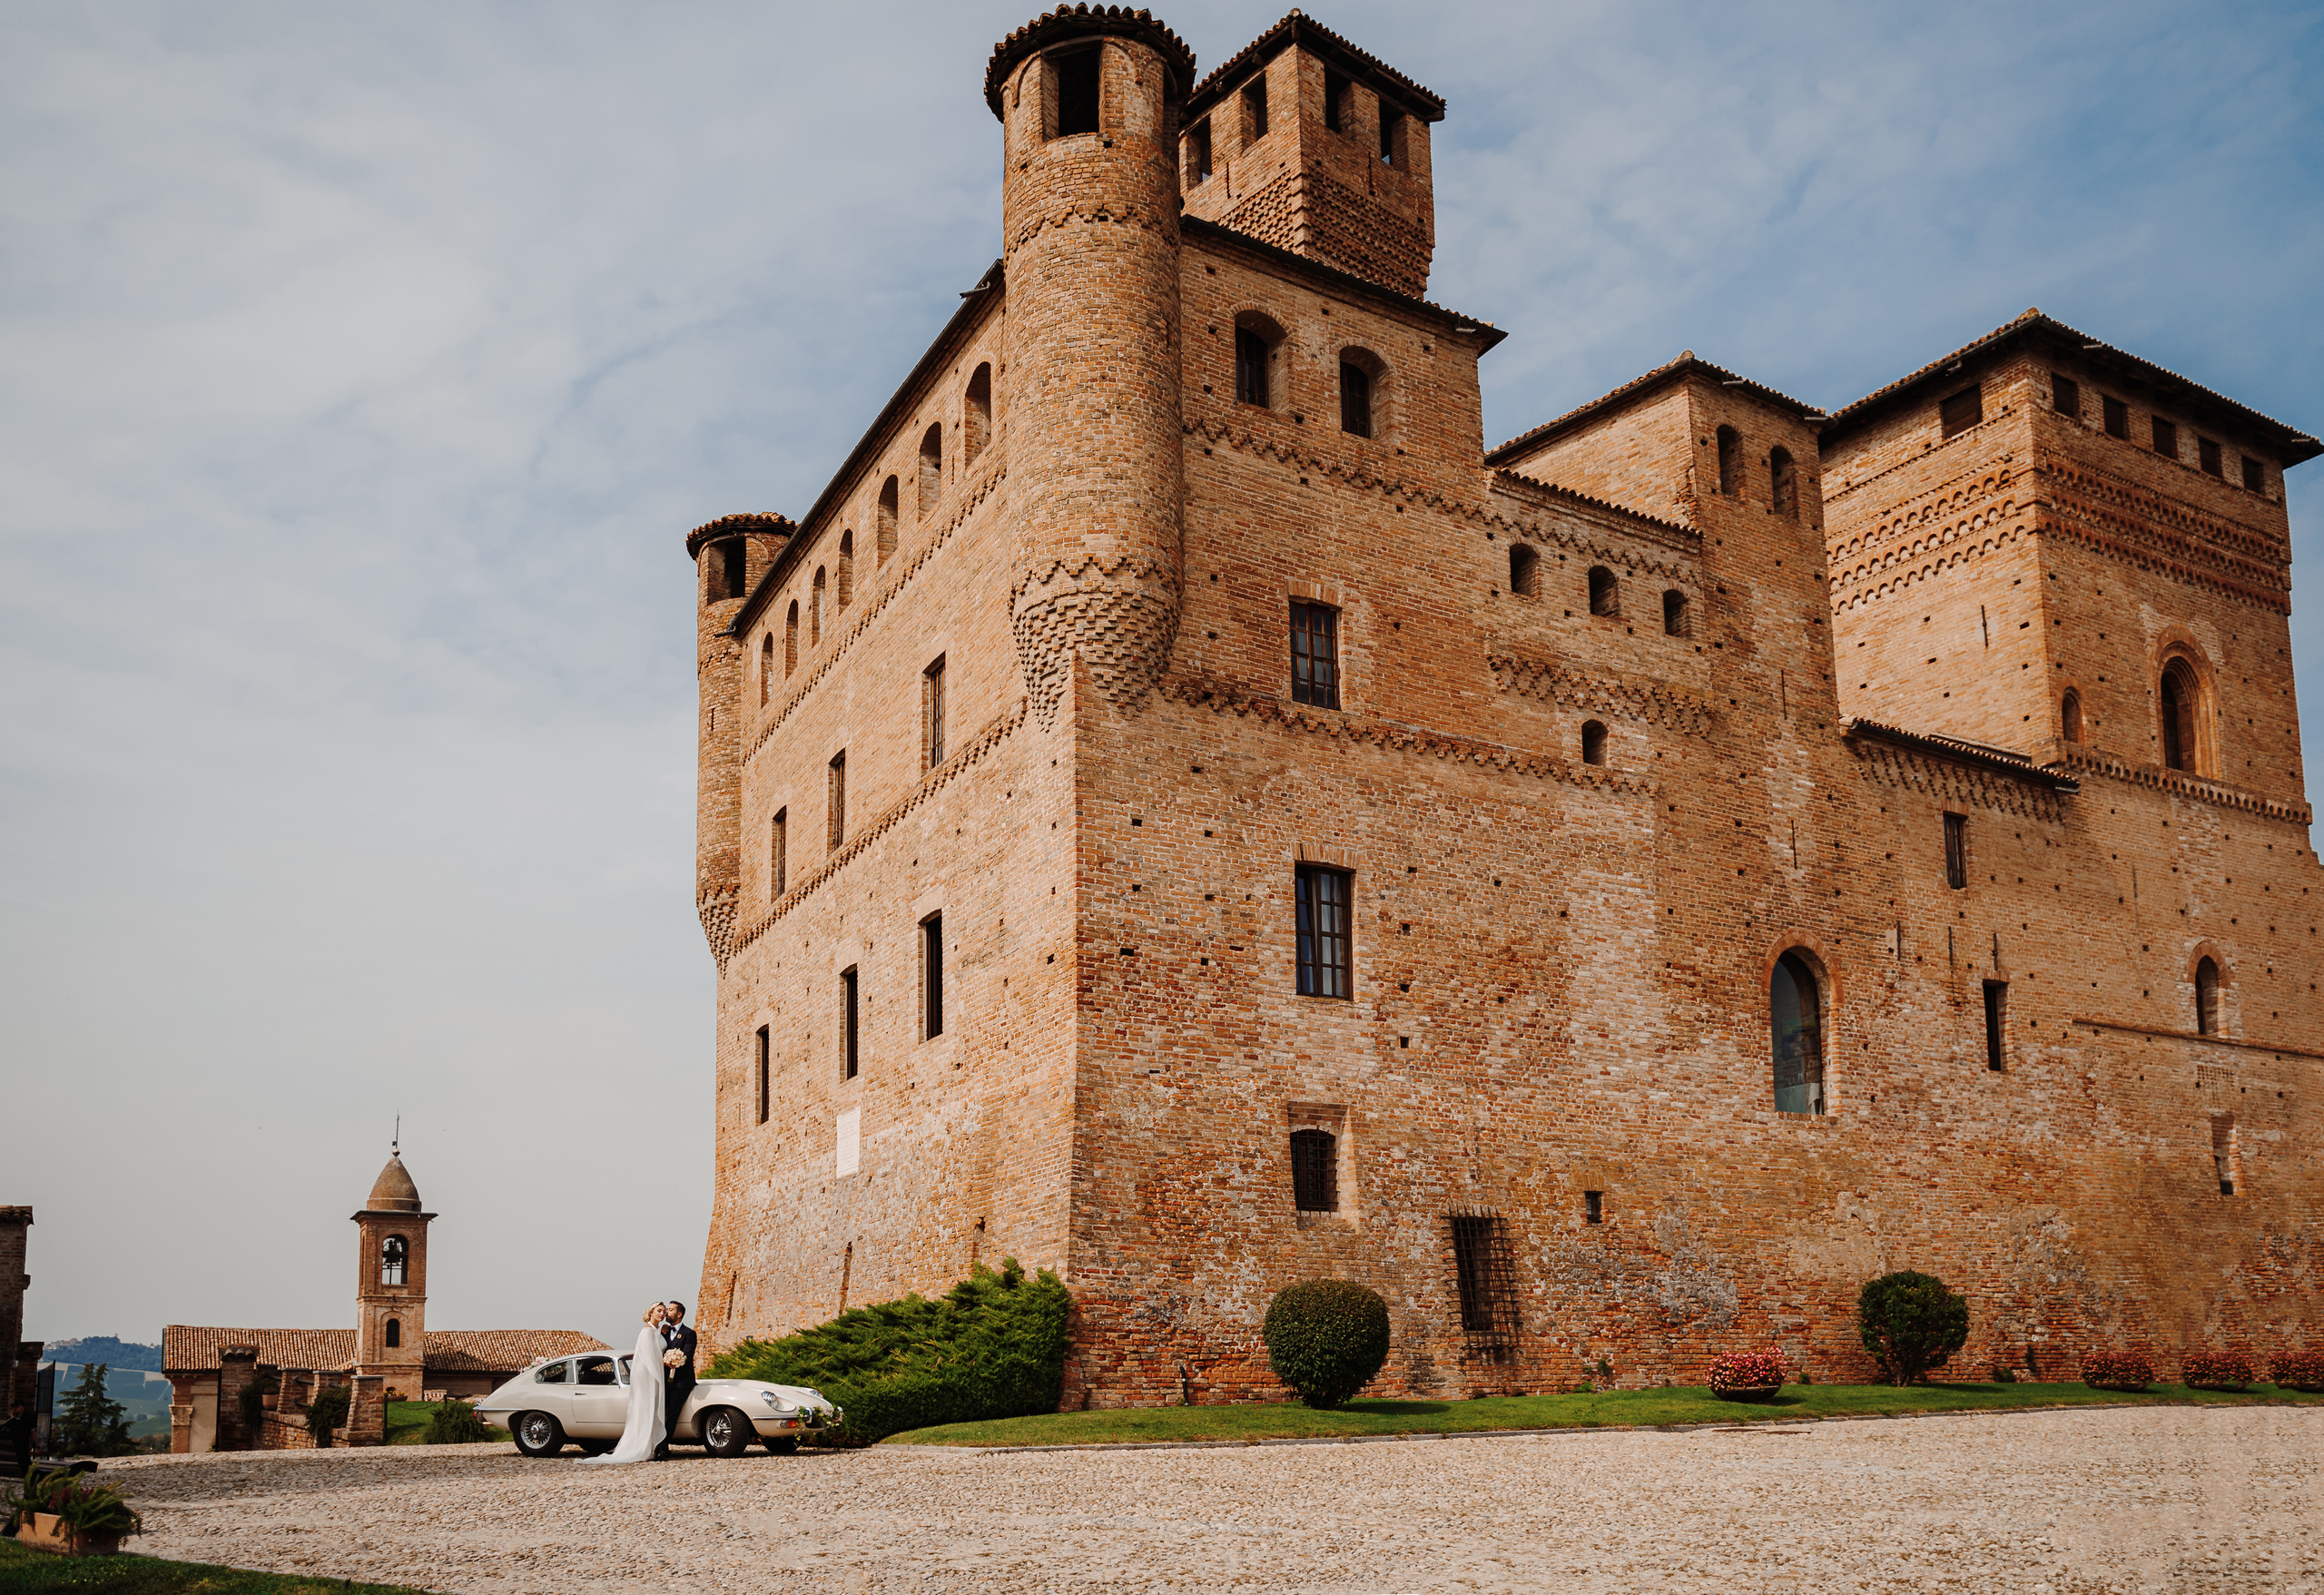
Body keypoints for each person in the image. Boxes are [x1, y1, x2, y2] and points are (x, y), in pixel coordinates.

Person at [577, 1305, 666, 1465]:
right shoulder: (646, 1332)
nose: (662, 1313)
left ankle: (650, 1446)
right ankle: (641, 1446)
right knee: (644, 1408)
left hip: (654, 1374)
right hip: (646, 1375)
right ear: (651, 1312)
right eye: (659, 1311)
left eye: (664, 1311)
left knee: (651, 1409)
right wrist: (666, 1363)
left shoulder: (657, 1331)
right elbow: (648, 1357)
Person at [655, 1302, 697, 1461]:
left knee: (672, 1414)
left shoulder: (689, 1334)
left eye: (670, 1310)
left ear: (679, 1314)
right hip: (663, 1380)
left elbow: (686, 1356)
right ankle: (656, 1443)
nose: (667, 1313)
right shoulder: (663, 1332)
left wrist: (672, 1361)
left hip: (681, 1382)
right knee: (659, 1412)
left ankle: (663, 1447)